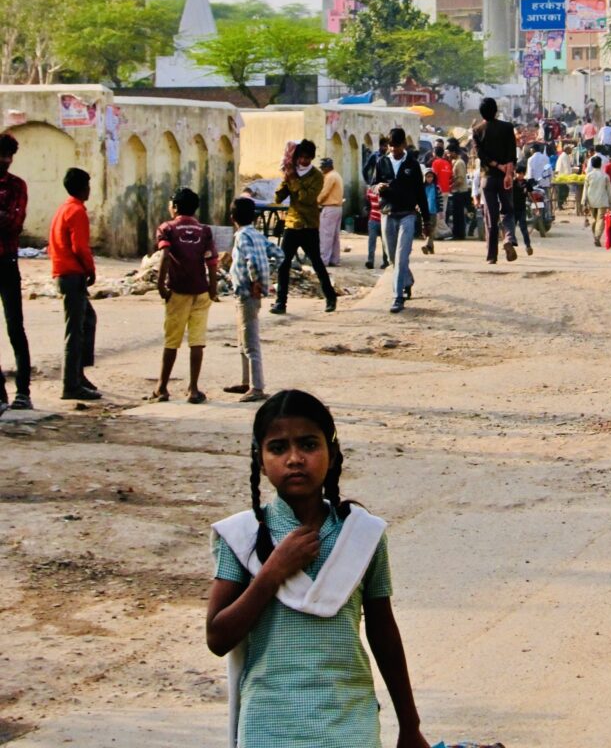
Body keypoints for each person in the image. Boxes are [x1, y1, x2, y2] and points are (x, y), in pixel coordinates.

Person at [207, 390, 431, 748]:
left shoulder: (362, 534)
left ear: (332, 453)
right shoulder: (241, 536)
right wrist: (271, 573)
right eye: (278, 448)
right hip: (270, 724)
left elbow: (383, 631)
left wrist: (409, 724)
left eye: (309, 445)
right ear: (260, 461)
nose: (294, 459)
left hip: (347, 721)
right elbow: (218, 638)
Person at [151, 188, 218, 405]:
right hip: (201, 290)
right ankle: (194, 388)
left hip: (178, 290)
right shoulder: (204, 230)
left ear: (175, 207)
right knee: (197, 341)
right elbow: (211, 262)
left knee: (172, 341)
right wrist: (213, 287)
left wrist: (160, 284)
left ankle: (161, 387)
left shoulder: (167, 228)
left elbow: (165, 256)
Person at [49, 168, 100, 401]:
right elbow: (80, 246)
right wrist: (90, 269)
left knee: (87, 320)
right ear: (82, 188)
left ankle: (78, 374)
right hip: (72, 273)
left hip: (64, 271)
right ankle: (70, 383)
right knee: (75, 329)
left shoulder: (64, 209)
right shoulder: (77, 211)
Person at [271, 140, 338, 315]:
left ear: (312, 158)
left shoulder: (316, 176)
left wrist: (293, 179)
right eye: (301, 157)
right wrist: (285, 179)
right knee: (283, 264)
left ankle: (330, 297)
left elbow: (305, 198)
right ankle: (280, 302)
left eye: (307, 158)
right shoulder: (292, 172)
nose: (303, 161)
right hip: (292, 224)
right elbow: (278, 198)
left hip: (309, 225)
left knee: (317, 263)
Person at [375, 128, 429, 313]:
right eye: (391, 146)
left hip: (407, 214)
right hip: (387, 213)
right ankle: (408, 279)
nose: (393, 150)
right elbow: (374, 183)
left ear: (403, 145)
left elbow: (421, 194)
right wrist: (378, 187)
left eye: (396, 146)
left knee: (401, 256)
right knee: (392, 257)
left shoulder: (412, 165)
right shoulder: (382, 162)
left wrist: (426, 221)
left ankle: (397, 297)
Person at [224, 197, 271, 402]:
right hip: (247, 293)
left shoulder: (242, 236)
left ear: (232, 217)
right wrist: (267, 277)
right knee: (242, 340)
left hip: (246, 293)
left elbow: (251, 260)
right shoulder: (258, 235)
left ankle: (257, 387)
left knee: (249, 341)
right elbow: (277, 254)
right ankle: (247, 382)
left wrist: (256, 282)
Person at [0, 132, 32, 411]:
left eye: (9, 156)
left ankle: (23, 390)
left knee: (14, 327)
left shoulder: (16, 185)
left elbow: (13, 222)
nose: (6, 161)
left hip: (7, 260)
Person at [472, 97, 519, 264]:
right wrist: (507, 173)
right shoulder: (507, 128)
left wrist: (496, 166)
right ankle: (508, 238)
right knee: (507, 210)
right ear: (496, 110)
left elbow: (481, 156)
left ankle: (492, 256)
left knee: (490, 217)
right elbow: (512, 154)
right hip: (504, 177)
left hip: (487, 179)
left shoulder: (477, 130)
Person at [317, 157, 344, 267]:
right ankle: (334, 259)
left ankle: (323, 260)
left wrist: (315, 201)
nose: (322, 170)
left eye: (323, 168)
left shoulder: (330, 176)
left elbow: (324, 193)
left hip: (330, 207)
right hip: (337, 207)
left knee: (326, 235)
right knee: (334, 236)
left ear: (327, 167)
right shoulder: (336, 175)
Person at [582, 154, 611, 247]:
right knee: (600, 220)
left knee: (594, 219)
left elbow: (585, 189)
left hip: (591, 200)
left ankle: (595, 235)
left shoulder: (589, 176)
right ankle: (597, 236)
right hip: (602, 201)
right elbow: (609, 189)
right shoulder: (605, 176)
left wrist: (584, 201)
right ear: (600, 164)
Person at [446, 140, 469, 240]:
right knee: (457, 214)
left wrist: (451, 187)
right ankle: (458, 234)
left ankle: (459, 234)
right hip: (457, 191)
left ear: (454, 152)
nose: (448, 155)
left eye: (449, 153)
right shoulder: (455, 162)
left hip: (459, 192)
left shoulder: (459, 163)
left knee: (458, 215)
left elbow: (460, 179)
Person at [364, 184, 389, 269]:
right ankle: (370, 261)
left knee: (385, 242)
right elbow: (368, 204)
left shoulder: (386, 189)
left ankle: (386, 262)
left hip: (384, 219)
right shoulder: (370, 190)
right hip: (373, 219)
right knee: (372, 241)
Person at [512, 164, 534, 256]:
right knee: (511, 228)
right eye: (518, 173)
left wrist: (535, 207)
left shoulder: (526, 183)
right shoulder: (512, 183)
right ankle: (510, 245)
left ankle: (528, 246)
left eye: (521, 173)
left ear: (524, 174)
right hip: (512, 209)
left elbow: (531, 195)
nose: (520, 175)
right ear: (515, 173)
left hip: (522, 209)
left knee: (523, 228)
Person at [420, 168, 439, 255]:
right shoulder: (421, 188)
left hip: (433, 211)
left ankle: (428, 246)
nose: (429, 178)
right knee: (426, 229)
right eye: (428, 177)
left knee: (432, 229)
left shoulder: (436, 188)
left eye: (431, 176)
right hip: (424, 212)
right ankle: (429, 246)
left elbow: (440, 199)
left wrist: (441, 211)